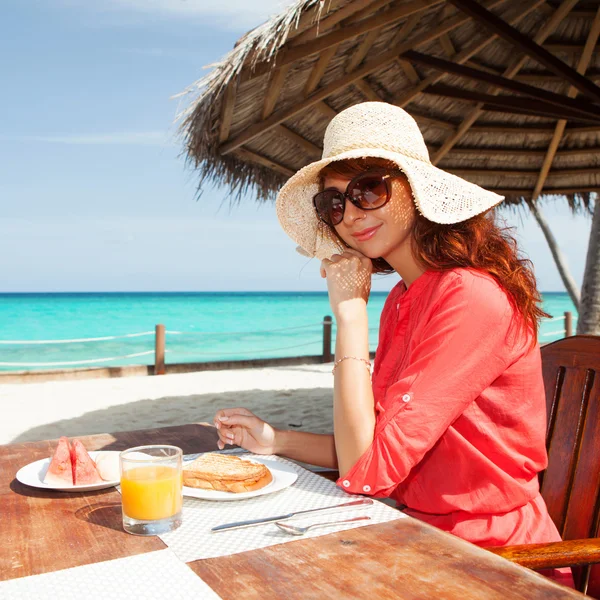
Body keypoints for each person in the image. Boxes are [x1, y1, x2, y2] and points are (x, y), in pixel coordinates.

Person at [213, 102, 571, 584]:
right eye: (333, 203)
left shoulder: (468, 297)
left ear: (414, 188)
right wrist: (276, 440)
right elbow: (376, 448)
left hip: (498, 562)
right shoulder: (404, 298)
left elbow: (367, 470)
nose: (350, 214)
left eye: (368, 189)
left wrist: (349, 313)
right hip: (417, 537)